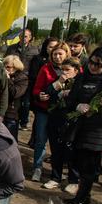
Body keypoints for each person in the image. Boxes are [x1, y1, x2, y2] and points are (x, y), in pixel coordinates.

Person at [61, 47, 102, 204]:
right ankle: (82, 195)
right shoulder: (82, 78)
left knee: (89, 165)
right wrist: (77, 105)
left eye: (98, 64)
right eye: (91, 62)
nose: (93, 66)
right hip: (79, 126)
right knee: (77, 160)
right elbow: (71, 100)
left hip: (98, 130)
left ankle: (81, 198)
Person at [30, 42, 71, 182]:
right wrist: (39, 95)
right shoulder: (46, 69)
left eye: (60, 54)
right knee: (41, 139)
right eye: (55, 54)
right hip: (44, 110)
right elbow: (36, 88)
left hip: (62, 112)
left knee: (59, 142)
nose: (57, 57)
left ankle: (58, 171)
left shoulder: (74, 69)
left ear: (66, 54)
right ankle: (37, 167)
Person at [41, 57, 81, 192]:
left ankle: (73, 180)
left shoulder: (79, 83)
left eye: (68, 70)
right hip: (55, 119)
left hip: (71, 121)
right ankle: (55, 177)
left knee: (71, 151)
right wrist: (59, 84)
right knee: (56, 150)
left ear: (76, 70)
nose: (64, 72)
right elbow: (47, 93)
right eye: (62, 69)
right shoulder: (58, 81)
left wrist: (70, 95)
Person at [27, 37, 60, 147]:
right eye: (51, 47)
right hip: (41, 99)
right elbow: (33, 78)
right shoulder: (40, 61)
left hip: (57, 105)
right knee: (40, 130)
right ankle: (34, 141)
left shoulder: (67, 66)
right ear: (46, 47)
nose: (53, 50)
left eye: (56, 47)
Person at [6, 28, 39, 128]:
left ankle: (23, 122)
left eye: (25, 36)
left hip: (26, 79)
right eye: (21, 36)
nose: (23, 38)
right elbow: (6, 60)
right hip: (13, 77)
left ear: (30, 38)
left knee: (26, 103)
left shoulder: (34, 50)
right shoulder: (11, 48)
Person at [2, 55, 29, 140]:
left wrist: (8, 79)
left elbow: (15, 93)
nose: (6, 69)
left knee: (10, 140)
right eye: (5, 66)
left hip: (12, 113)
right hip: (0, 111)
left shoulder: (22, 78)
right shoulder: (2, 76)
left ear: (15, 67)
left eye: (8, 67)